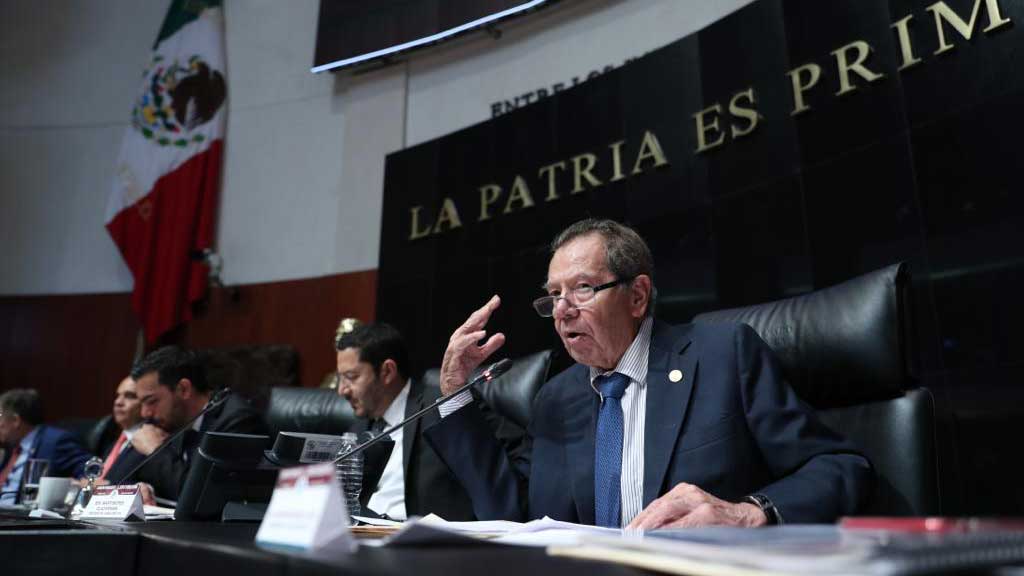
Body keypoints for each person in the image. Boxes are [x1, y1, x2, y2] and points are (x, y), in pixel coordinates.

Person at [425, 218, 873, 528]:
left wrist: (748, 512)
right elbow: (515, 513)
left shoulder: (723, 357)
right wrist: (454, 392)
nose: (562, 312)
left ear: (637, 296)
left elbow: (838, 467)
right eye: (553, 296)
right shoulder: (557, 400)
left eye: (582, 289)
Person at [335, 323, 476, 520]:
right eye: (340, 378)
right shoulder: (357, 430)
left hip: (422, 540)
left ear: (387, 372)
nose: (342, 390)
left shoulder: (442, 407)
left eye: (351, 377)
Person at [105, 346, 267, 500]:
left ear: (183, 389)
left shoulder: (236, 421)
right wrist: (142, 488)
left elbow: (200, 495)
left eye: (151, 401)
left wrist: (156, 450)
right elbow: (112, 481)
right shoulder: (175, 420)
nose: (144, 413)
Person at [0, 388, 92, 505]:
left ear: (15, 420)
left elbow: (91, 472)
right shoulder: (11, 448)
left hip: (25, 518)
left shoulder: (56, 442)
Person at [97, 376, 144, 480]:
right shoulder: (112, 441)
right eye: (118, 396)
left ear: (146, 402)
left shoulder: (148, 445)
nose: (118, 402)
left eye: (130, 396)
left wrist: (105, 486)